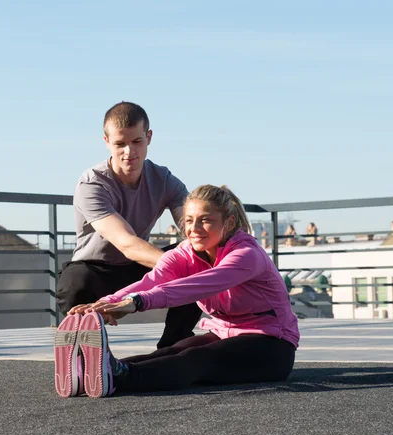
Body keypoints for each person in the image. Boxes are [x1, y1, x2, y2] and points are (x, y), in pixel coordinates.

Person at [54, 185, 299, 398]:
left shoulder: (246, 256)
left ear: (229, 222)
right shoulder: (185, 253)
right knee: (173, 350)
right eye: (190, 220)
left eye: (206, 220)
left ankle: (118, 377)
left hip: (272, 346)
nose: (195, 228)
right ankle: (92, 372)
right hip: (226, 335)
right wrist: (106, 303)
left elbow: (197, 285)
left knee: (197, 359)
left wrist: (136, 303)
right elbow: (153, 280)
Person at [56, 101, 202, 350]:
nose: (128, 152)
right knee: (74, 283)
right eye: (120, 144)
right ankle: (84, 353)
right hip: (96, 269)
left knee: (197, 256)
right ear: (106, 141)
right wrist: (179, 267)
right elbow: (127, 243)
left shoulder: (164, 179)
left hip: (137, 266)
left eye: (136, 142)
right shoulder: (92, 184)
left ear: (149, 137)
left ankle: (173, 346)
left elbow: (192, 225)